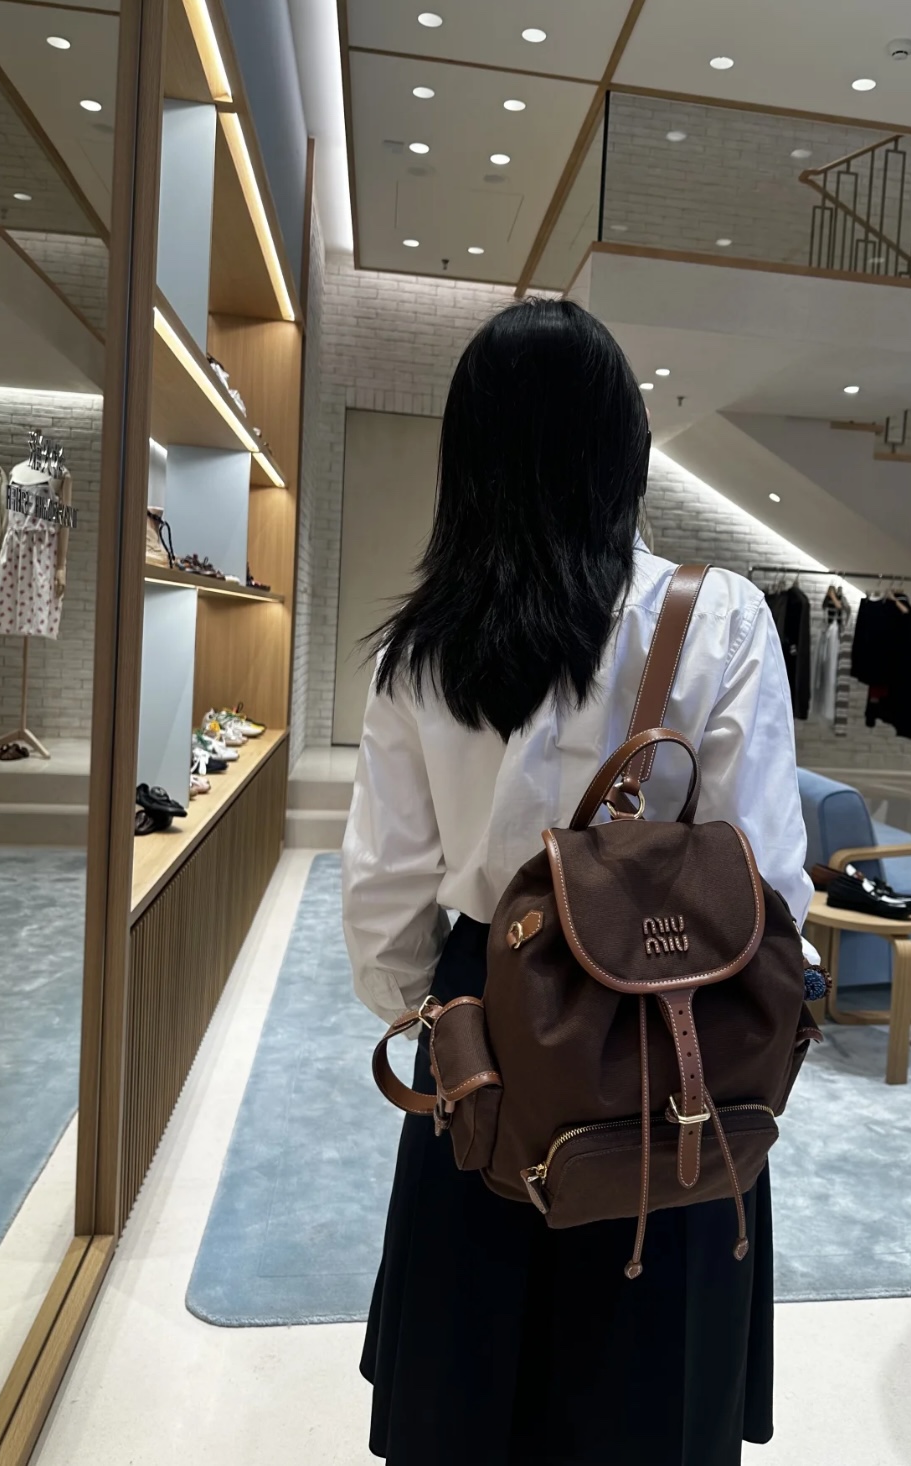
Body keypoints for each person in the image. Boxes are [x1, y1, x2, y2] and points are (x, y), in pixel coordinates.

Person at [342, 297, 813, 1466]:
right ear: (626, 452)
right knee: (656, 1389)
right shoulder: (720, 618)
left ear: (469, 458)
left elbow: (384, 904)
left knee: (468, 1388)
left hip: (482, 1025)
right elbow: (767, 881)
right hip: (670, 1019)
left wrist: (445, 1009)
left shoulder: (421, 650)